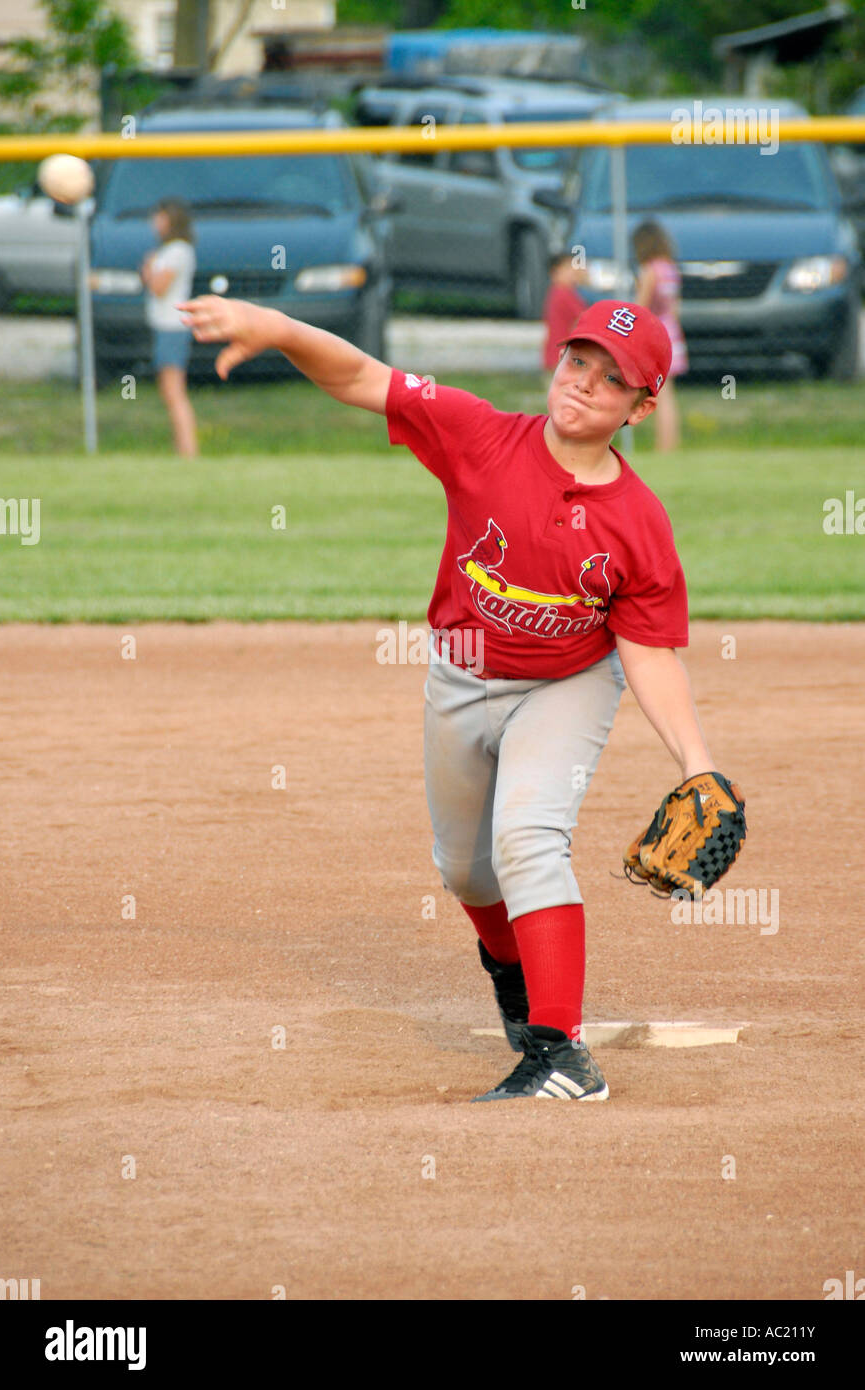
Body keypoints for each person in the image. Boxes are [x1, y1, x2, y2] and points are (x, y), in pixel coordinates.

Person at [177, 292, 720, 1104]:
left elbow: (647, 650)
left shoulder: (638, 523)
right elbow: (364, 377)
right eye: (578, 361)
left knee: (529, 838)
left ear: (642, 407)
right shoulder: (478, 435)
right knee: (467, 872)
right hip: (461, 675)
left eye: (612, 380)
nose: (583, 383)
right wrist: (279, 329)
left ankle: (559, 1051)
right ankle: (512, 976)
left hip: (565, 685)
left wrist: (698, 763)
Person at [140, 199, 198, 458]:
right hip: (165, 327)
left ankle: (188, 451)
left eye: (160, 218)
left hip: (172, 328)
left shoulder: (178, 250)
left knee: (174, 392)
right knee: (170, 392)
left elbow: (158, 287)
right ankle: (182, 449)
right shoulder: (168, 250)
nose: (155, 223)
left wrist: (149, 267)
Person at [632, 221, 688, 452]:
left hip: (655, 337)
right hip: (672, 334)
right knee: (668, 395)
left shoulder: (650, 272)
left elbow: (640, 308)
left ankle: (664, 446)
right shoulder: (670, 270)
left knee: (660, 397)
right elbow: (674, 308)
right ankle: (671, 443)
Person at [542, 250, 587, 382]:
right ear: (555, 273)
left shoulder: (557, 292)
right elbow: (585, 318)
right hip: (561, 357)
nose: (574, 271)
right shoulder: (564, 294)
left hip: (555, 356)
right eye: (568, 268)